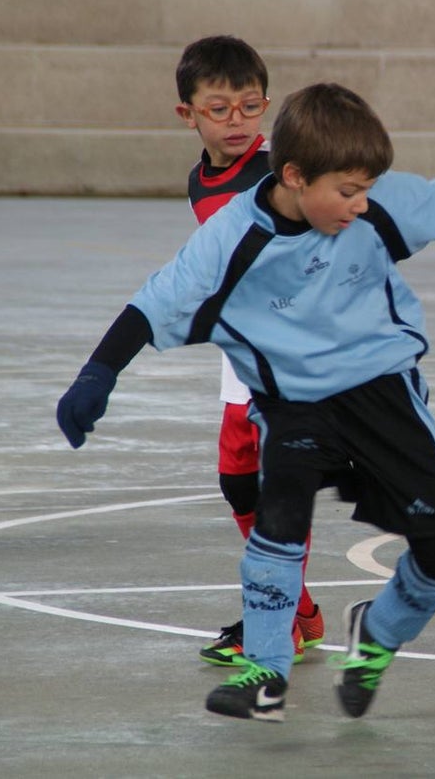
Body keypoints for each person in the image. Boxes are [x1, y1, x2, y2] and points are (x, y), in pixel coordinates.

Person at [56, 82, 435, 723]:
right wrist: (96, 375)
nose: (359, 206)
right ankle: (265, 671)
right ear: (295, 176)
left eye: (366, 190)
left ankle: (378, 632)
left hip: (382, 390)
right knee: (280, 517)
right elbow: (152, 303)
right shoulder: (230, 240)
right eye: (347, 192)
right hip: (292, 401)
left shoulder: (373, 205)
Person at [174, 34, 322, 668]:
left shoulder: (278, 170)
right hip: (242, 351)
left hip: (297, 352)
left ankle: (280, 618)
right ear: (189, 115)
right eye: (219, 108)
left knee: (280, 481)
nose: (236, 121)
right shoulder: (200, 181)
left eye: (249, 105)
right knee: (238, 481)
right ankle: (304, 613)